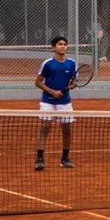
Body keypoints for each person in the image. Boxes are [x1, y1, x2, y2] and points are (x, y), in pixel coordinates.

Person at [33, 35, 78, 171]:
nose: (63, 46)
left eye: (64, 44)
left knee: (67, 130)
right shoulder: (48, 64)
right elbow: (38, 82)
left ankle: (65, 158)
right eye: (59, 44)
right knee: (45, 128)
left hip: (65, 101)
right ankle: (39, 159)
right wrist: (52, 92)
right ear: (53, 47)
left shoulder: (71, 63)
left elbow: (73, 81)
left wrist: (72, 85)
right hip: (48, 101)